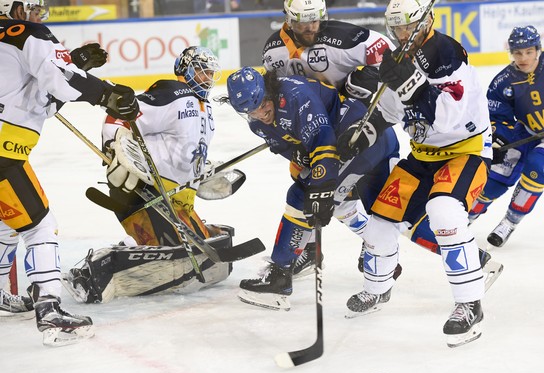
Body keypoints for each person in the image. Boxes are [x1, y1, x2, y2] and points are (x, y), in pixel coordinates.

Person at [0, 0, 139, 345]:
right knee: (39, 225)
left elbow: (37, 98)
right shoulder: (26, 33)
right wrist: (105, 92)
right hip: (3, 151)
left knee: (8, 223)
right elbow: (57, 79)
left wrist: (74, 62)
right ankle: (49, 310)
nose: (37, 17)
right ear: (14, 9)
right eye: (32, 9)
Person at [62, 46, 247, 304]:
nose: (206, 78)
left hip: (178, 198)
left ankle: (136, 246)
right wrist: (114, 150)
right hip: (145, 190)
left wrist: (201, 173)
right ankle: (88, 273)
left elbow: (187, 153)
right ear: (185, 70)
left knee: (204, 251)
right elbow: (118, 114)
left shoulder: (205, 109)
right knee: (177, 253)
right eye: (201, 71)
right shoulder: (173, 93)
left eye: (210, 73)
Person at [359, 0, 492, 347]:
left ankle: (469, 304)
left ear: (427, 20)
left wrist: (414, 87)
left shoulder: (445, 51)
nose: (403, 35)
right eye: (396, 29)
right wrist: (361, 133)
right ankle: (377, 289)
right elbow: (388, 110)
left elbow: (450, 116)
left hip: (465, 151)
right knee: (380, 220)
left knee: (444, 211)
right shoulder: (398, 58)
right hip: (422, 156)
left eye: (408, 27)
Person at [226, 67, 401, 312]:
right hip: (354, 146)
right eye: (250, 110)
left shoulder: (295, 95)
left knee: (303, 197)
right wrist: (299, 154)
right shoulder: (257, 123)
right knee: (375, 215)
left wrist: (320, 189)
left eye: (263, 103)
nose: (261, 113)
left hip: (362, 141)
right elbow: (289, 148)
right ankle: (381, 279)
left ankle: (279, 278)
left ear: (269, 90)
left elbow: (322, 139)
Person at [468, 25, 544, 247]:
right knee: (495, 175)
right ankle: (465, 218)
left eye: (529, 52)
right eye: (518, 53)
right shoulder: (504, 82)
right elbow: (495, 117)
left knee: (537, 167)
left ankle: (510, 222)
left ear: (538, 49)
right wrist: (498, 136)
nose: (523, 58)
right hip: (526, 131)